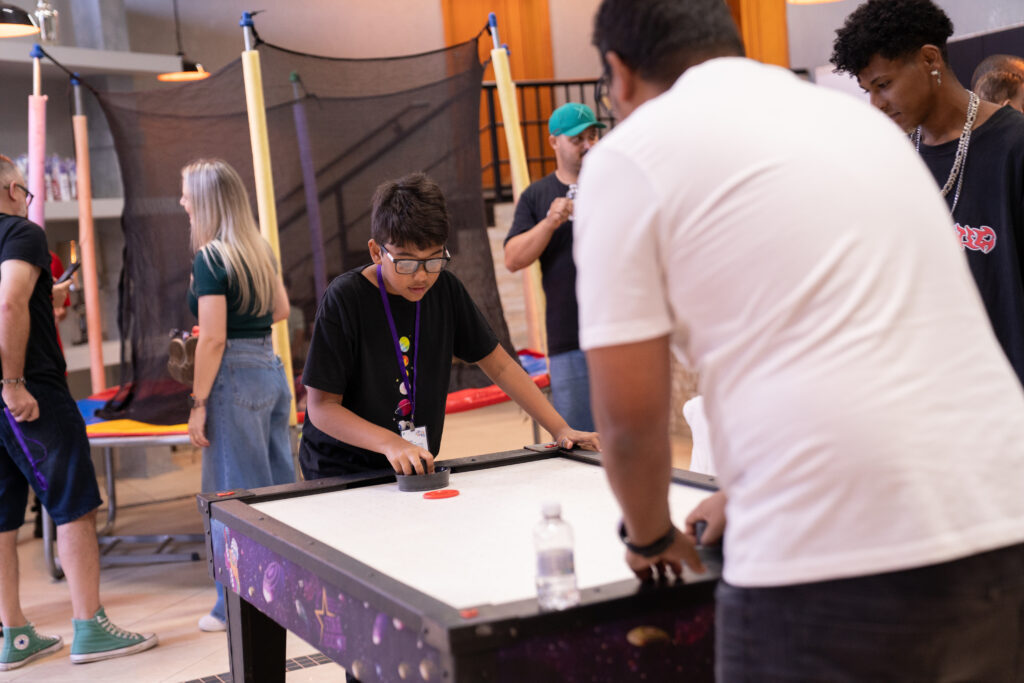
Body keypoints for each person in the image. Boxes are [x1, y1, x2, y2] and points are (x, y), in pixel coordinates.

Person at [574, 1, 1024, 680]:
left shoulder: (629, 158)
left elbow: (629, 421)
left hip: (830, 559)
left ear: (618, 72)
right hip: (1000, 520)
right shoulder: (859, 126)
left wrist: (648, 534)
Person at [300, 172, 599, 480]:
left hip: (413, 465)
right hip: (339, 470)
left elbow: (500, 366)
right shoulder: (345, 298)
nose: (421, 276)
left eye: (433, 260)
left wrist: (561, 428)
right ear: (377, 252)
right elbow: (322, 408)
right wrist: (390, 444)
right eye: (406, 262)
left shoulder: (444, 289)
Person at [0, 153, 158, 670]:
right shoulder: (20, 233)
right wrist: (14, 382)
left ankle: (14, 634)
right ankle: (91, 627)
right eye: (25, 191)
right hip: (30, 392)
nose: (27, 201)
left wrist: (47, 300)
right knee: (74, 505)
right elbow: (8, 304)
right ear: (8, 192)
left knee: (3, 518)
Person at [832, 0, 1024, 389]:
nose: (876, 104)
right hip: (933, 394)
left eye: (884, 85)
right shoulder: (895, 155)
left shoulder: (1014, 145)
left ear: (930, 59)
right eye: (867, 90)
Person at [180, 159, 295, 632]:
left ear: (205, 201)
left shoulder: (210, 257)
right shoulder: (257, 249)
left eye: (187, 194)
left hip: (233, 377)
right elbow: (282, 308)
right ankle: (285, 588)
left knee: (233, 495)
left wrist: (198, 402)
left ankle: (235, 605)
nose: (182, 202)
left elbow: (212, 339)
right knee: (276, 490)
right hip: (269, 367)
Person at [503, 103, 605, 432]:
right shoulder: (537, 196)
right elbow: (512, 258)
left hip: (620, 332)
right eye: (578, 139)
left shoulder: (614, 185)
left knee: (632, 437)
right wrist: (550, 222)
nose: (588, 144)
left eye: (593, 136)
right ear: (554, 142)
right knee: (580, 442)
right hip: (568, 339)